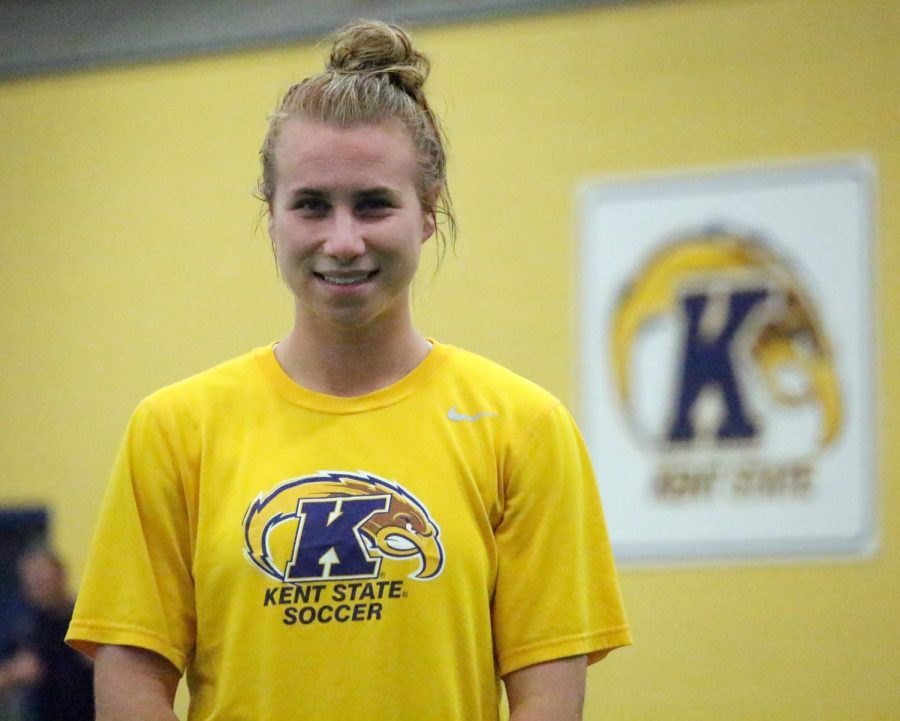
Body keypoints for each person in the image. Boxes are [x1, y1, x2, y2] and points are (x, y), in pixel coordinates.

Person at [66, 19, 631, 721]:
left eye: (372, 204)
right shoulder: (176, 429)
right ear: (271, 217)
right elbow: (132, 682)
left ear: (427, 214)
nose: (342, 241)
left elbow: (547, 696)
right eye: (311, 205)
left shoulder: (523, 427)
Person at [0, 547, 94, 721]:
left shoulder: (86, 620)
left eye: (43, 578)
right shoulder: (22, 627)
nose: (38, 585)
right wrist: (15, 672)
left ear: (60, 575)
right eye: (32, 580)